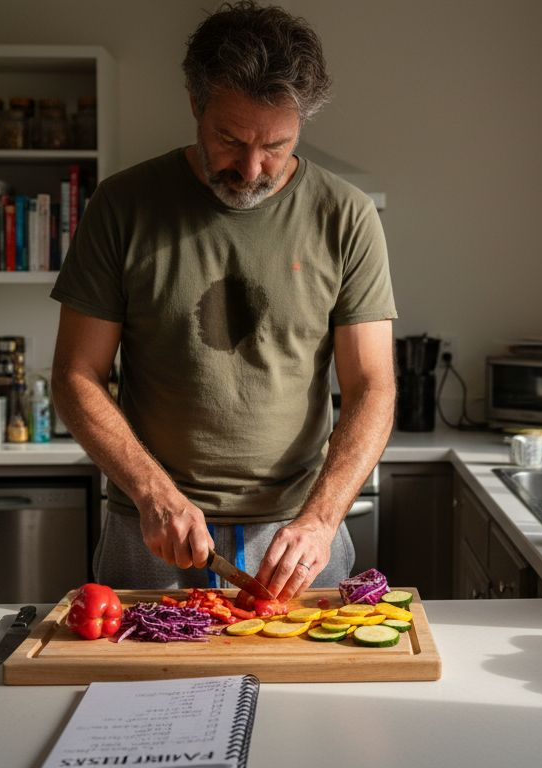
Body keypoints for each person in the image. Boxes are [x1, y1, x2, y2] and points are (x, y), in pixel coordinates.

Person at [50, 1, 396, 602]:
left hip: (298, 535)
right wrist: (153, 493)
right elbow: (76, 374)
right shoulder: (122, 206)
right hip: (151, 528)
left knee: (316, 698)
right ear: (194, 102)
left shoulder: (347, 216)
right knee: (139, 694)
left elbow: (372, 386)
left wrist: (321, 518)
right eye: (230, 139)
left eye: (277, 145)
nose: (253, 168)